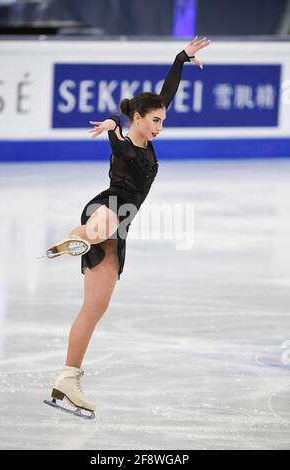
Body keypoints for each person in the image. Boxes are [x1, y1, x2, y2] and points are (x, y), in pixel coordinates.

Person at [44, 37, 211, 418]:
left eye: (162, 121)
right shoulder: (124, 143)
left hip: (120, 229)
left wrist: (181, 58)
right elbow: (116, 138)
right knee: (106, 220)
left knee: (94, 308)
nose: (159, 128)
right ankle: (78, 235)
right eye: (154, 121)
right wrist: (110, 126)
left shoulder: (147, 130)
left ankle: (67, 379)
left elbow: (166, 91)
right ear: (137, 118)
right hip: (107, 206)